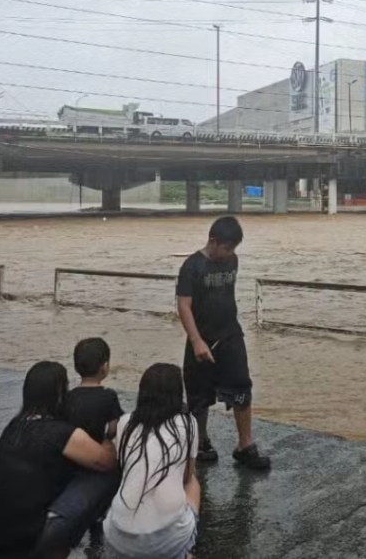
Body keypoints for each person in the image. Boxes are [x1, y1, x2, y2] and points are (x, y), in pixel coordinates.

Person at [0, 361, 119, 559]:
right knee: (106, 475)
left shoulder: (14, 426)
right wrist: (108, 437)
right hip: (23, 544)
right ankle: (61, 546)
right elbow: (107, 461)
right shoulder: (60, 433)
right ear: (59, 394)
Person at [177, 216, 270, 470]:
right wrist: (196, 341)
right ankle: (201, 441)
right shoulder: (191, 267)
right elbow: (183, 305)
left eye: (233, 248)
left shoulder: (232, 260)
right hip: (201, 338)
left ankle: (245, 445)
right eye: (227, 248)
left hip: (230, 335)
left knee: (242, 386)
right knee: (199, 395)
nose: (230, 253)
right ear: (213, 241)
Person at [104, 364, 200, 559]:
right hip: (167, 538)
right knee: (193, 483)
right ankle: (184, 552)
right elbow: (187, 476)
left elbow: (125, 467)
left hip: (117, 536)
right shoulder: (188, 423)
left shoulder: (125, 422)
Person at [66, 337, 124, 442]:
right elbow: (113, 429)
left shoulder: (68, 396)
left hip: (72, 449)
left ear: (75, 367)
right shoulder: (109, 396)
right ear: (105, 366)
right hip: (97, 448)